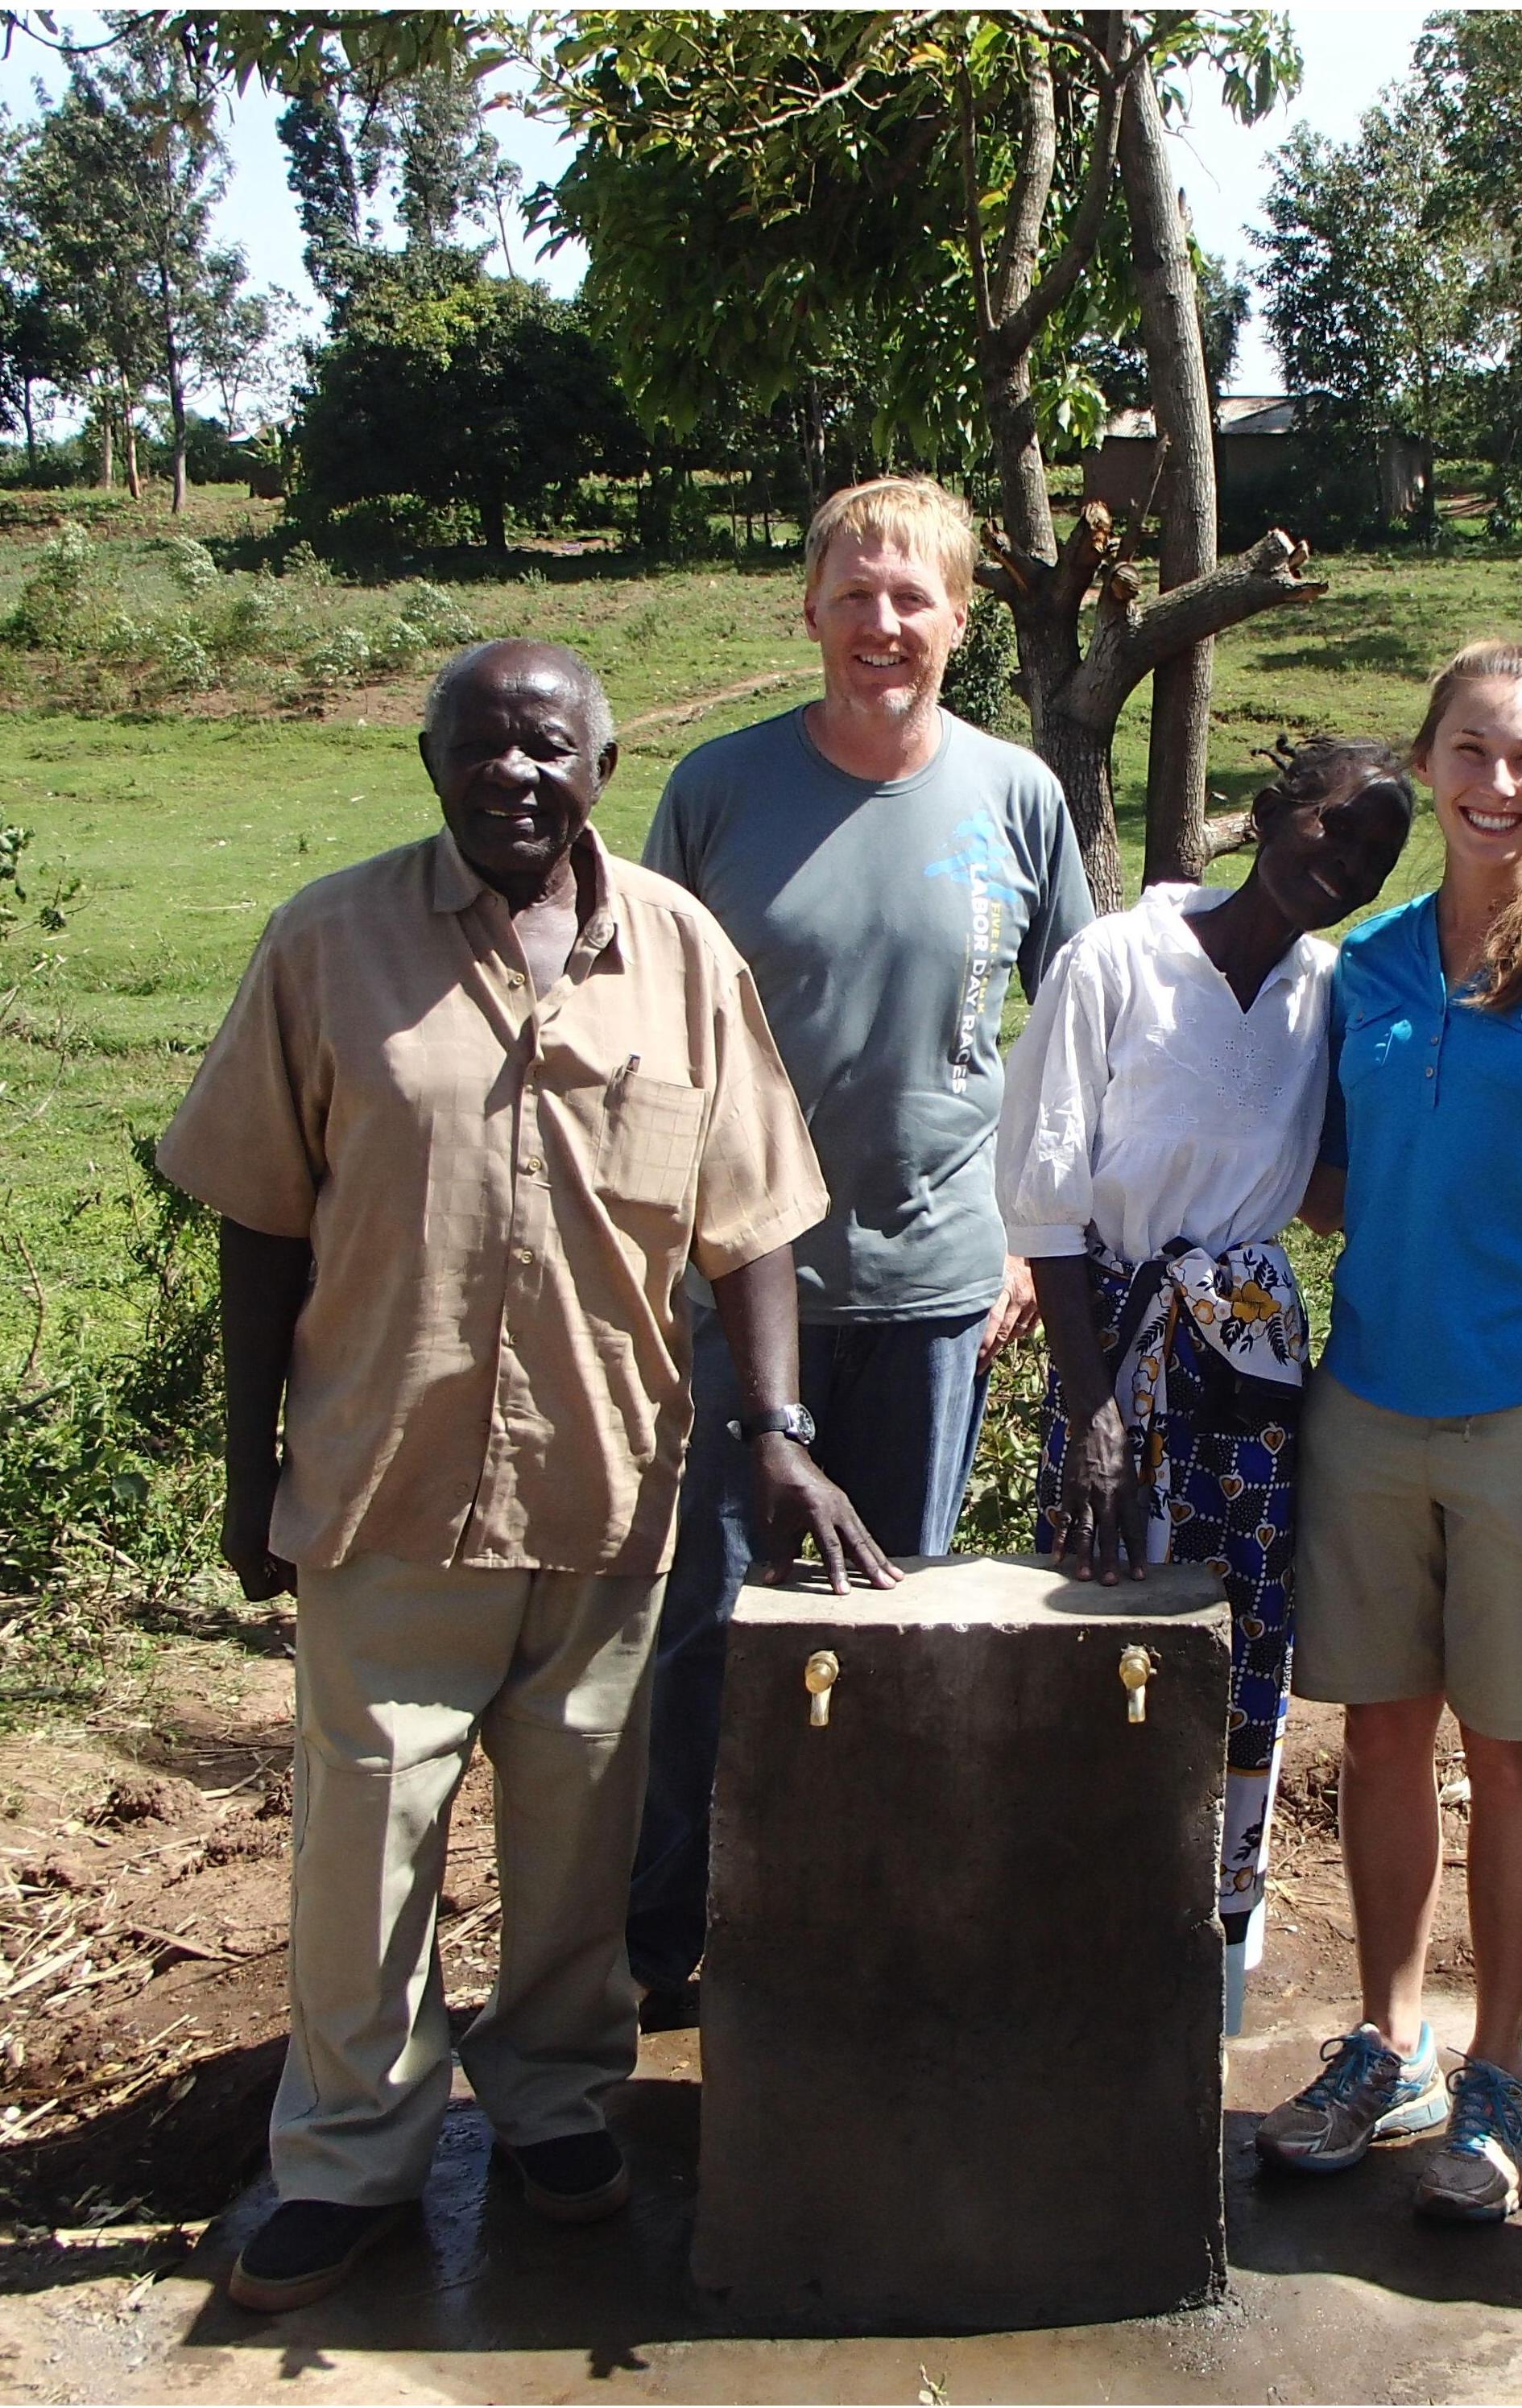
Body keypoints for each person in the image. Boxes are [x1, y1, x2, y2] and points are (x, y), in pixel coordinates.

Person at [158, 640, 865, 2314]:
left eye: (544, 749)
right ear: (432, 762)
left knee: (575, 1845)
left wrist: (774, 1428)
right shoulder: (328, 942)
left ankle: (554, 2101)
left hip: (606, 1486)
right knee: (363, 1850)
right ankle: (345, 2152)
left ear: (602, 766)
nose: (513, 777)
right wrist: (248, 1458)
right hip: (381, 1477)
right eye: (479, 749)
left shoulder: (682, 956)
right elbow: (258, 1217)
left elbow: (752, 1216)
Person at [625, 476, 1094, 2018]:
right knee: (708, 1626)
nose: (883, 624)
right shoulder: (719, 792)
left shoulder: (1014, 796)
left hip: (937, 1282)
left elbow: (1067, 1033)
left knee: (898, 1620)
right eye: (856, 591)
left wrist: (1033, 1231)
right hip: (732, 1289)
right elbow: (647, 1028)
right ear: (809, 605)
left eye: (916, 598)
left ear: (961, 619)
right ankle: (670, 1937)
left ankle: (869, 1927)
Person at [1254, 640, 1522, 2224]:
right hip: (1368, 1396)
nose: (1493, 783)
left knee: (1511, 1751)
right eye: (1467, 750)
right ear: (1426, 766)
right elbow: (1311, 1170)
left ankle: (1498, 2065)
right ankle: (1392, 2039)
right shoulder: (1363, 963)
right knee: (1378, 1731)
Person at [995, 739, 1416, 2034]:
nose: (1341, 868)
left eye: (1374, 860)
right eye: (1331, 831)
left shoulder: (1327, 991)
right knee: (1103, 1617)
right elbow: (1052, 1199)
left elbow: (1343, 1180)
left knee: (1243, 1641)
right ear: (1272, 811)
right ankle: (1075, 1948)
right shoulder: (1116, 960)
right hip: (1116, 1344)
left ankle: (1208, 1966)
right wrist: (1095, 1417)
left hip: (1249, 1363)